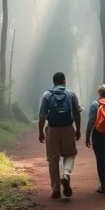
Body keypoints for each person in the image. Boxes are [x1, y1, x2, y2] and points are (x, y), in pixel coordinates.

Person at [38, 71, 82, 199]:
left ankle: (56, 190)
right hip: (68, 128)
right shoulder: (71, 94)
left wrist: (41, 131)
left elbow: (42, 116)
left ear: (54, 82)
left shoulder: (47, 95)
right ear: (64, 81)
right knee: (70, 154)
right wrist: (78, 129)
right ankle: (66, 174)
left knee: (53, 158)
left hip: (52, 129)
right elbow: (77, 113)